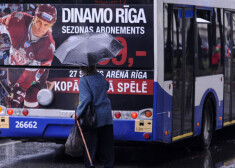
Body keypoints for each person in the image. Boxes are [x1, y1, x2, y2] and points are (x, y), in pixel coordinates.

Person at [0, 4, 57, 108]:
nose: (41, 28)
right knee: (14, 99)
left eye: (46, 25)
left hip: (35, 74)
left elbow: (29, 78)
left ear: (50, 26)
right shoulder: (17, 20)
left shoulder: (48, 47)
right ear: (34, 18)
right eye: (39, 21)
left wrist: (17, 98)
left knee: (30, 98)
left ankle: (45, 85)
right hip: (15, 68)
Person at [74, 65, 114, 168]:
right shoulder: (100, 76)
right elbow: (107, 86)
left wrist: (77, 113)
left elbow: (86, 99)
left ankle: (90, 165)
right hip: (106, 116)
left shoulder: (84, 80)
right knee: (107, 146)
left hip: (93, 118)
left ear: (82, 68)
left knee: (90, 146)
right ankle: (109, 165)